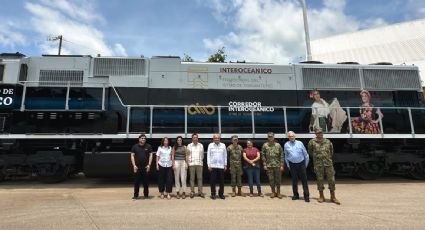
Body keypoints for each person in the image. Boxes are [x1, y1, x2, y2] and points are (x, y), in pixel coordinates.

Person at [308, 128, 340, 205]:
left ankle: (333, 197)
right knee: (320, 180)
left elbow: (331, 152)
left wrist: (326, 158)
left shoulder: (328, 142)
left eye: (321, 133)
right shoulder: (312, 142)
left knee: (331, 180)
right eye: (318, 133)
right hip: (318, 164)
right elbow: (310, 152)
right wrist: (318, 158)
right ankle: (321, 196)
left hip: (328, 164)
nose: (320, 134)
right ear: (315, 134)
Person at [284, 131, 310, 202]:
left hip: (301, 164)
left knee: (304, 181)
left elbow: (306, 155)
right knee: (294, 181)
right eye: (289, 136)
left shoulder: (300, 143)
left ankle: (306, 196)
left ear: (295, 136)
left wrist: (305, 165)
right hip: (292, 164)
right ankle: (295, 195)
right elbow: (286, 156)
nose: (291, 137)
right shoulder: (286, 145)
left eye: (292, 136)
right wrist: (288, 165)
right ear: (288, 137)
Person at [261, 132, 284, 199]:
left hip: (277, 165)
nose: (270, 138)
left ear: (274, 137)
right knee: (271, 180)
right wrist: (264, 164)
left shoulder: (278, 145)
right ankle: (273, 192)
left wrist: (282, 165)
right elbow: (263, 156)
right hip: (269, 166)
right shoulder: (265, 145)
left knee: (278, 180)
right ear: (267, 137)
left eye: (271, 136)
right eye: (269, 136)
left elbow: (281, 155)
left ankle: (278, 192)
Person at [130, 134, 153, 200]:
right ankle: (135, 196)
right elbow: (132, 156)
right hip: (137, 167)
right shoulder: (135, 146)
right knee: (136, 182)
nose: (143, 139)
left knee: (146, 183)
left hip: (145, 167)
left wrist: (149, 165)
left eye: (144, 138)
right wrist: (134, 165)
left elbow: (151, 156)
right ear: (139, 139)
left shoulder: (148, 146)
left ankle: (146, 196)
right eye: (142, 138)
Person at [207, 133, 227, 200]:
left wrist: (225, 164)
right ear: (213, 139)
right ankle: (213, 194)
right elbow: (208, 156)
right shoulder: (210, 145)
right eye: (215, 138)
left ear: (219, 139)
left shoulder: (223, 145)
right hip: (213, 166)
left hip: (221, 166)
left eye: (218, 138)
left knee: (221, 181)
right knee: (213, 181)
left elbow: (225, 156)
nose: (217, 139)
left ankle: (221, 194)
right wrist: (208, 165)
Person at [187, 133, 205, 198]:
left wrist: (200, 160)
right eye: (194, 137)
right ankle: (192, 192)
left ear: (197, 138)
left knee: (200, 178)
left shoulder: (201, 145)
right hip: (191, 164)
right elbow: (187, 154)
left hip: (199, 164)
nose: (195, 138)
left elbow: (202, 155)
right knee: (192, 179)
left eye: (196, 137)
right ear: (192, 138)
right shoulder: (189, 146)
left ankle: (200, 192)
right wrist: (189, 162)